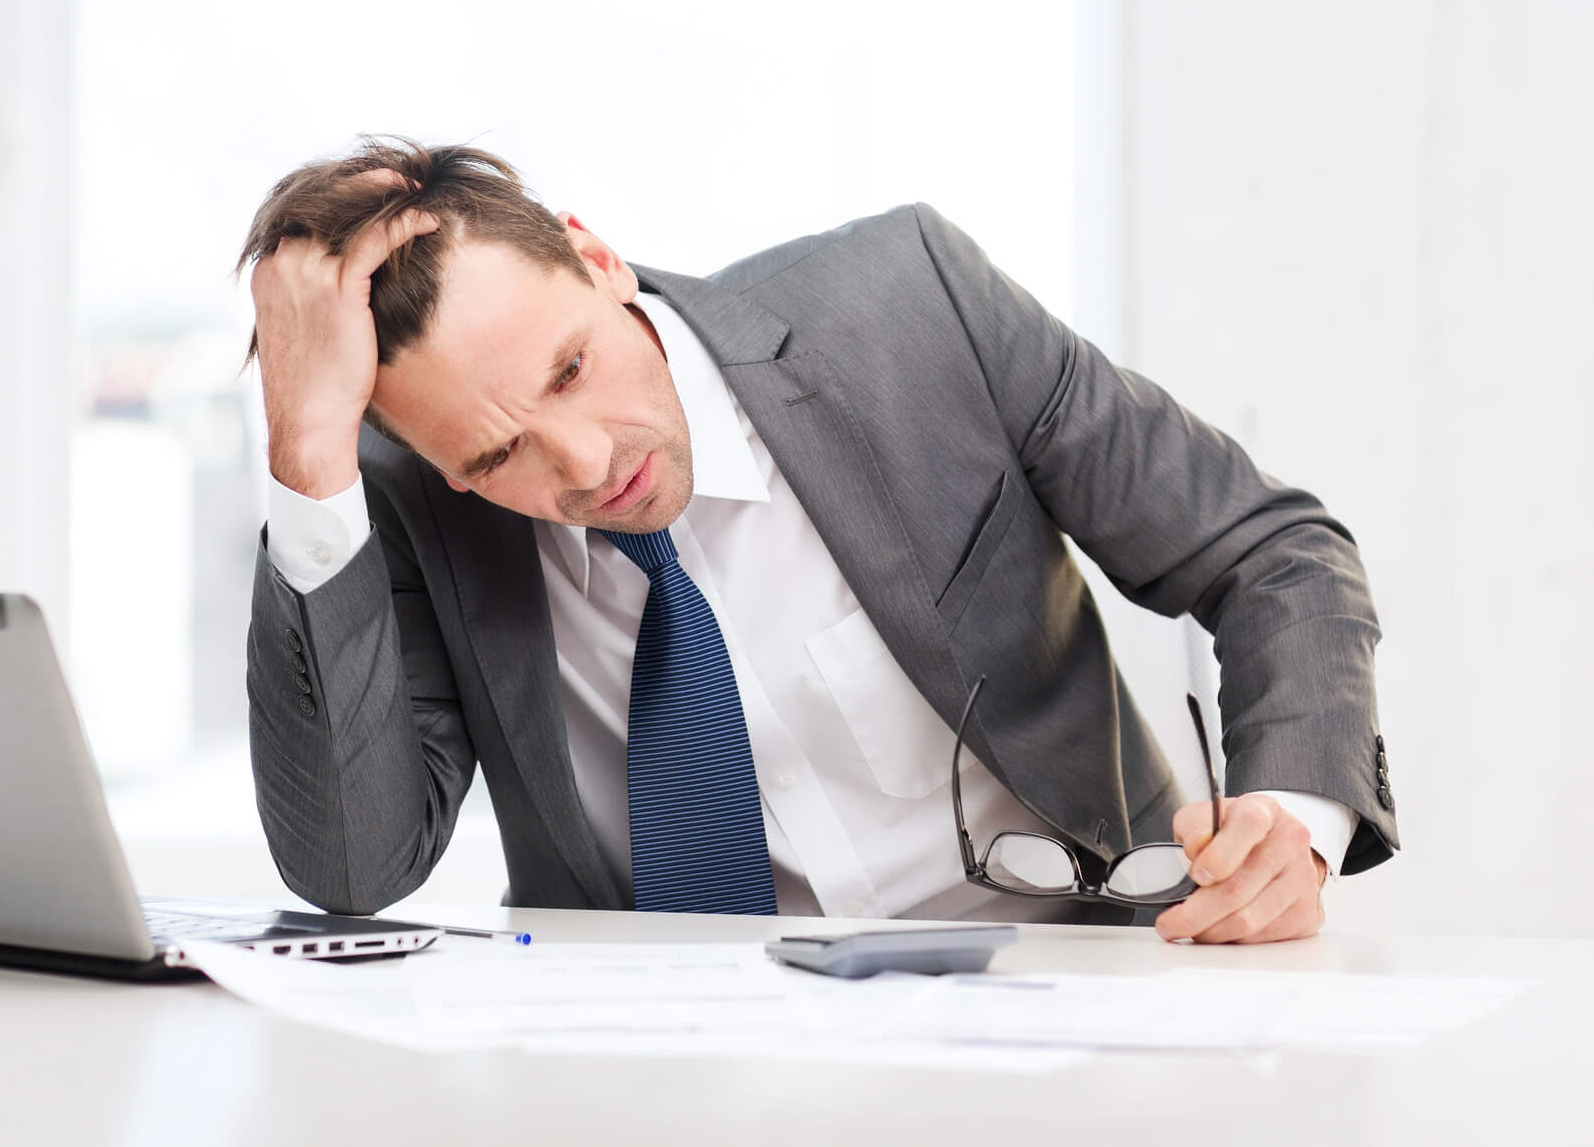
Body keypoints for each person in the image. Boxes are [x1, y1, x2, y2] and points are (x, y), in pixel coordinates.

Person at [238, 137, 1397, 943]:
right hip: (667, 1074)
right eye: (497, 461)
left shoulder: (907, 306)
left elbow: (1268, 552)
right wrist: (305, 459)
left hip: (1063, 988)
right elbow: (353, 869)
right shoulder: (403, 495)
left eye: (571, 370)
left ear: (594, 257)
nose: (584, 467)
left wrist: (1288, 830)